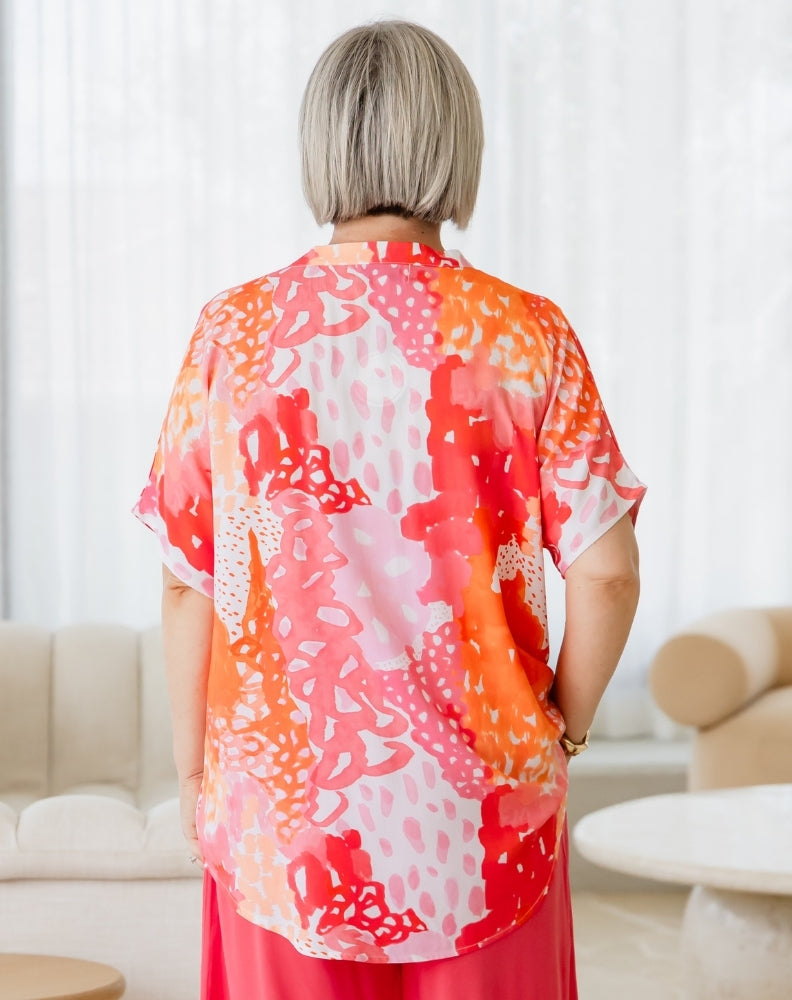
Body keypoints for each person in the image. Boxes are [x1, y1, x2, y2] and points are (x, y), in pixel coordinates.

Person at [134, 19, 645, 1000]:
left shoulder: (232, 337)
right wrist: (567, 729)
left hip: (284, 820)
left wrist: (196, 773)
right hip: (486, 813)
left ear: (320, 148)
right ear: (457, 144)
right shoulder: (528, 333)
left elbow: (188, 579)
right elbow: (609, 571)